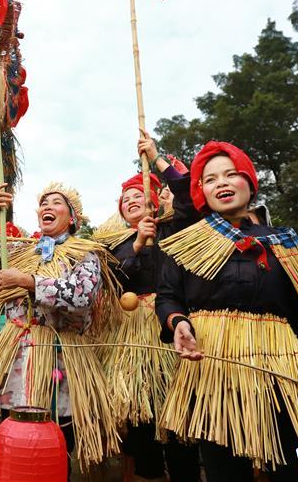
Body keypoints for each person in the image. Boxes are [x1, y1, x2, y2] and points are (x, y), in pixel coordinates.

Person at [156, 141, 298, 482]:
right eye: (210, 179)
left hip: (282, 370)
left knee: (295, 469)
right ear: (200, 191)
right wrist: (178, 322)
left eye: (231, 174)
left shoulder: (284, 242)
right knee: (225, 471)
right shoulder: (186, 240)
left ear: (250, 184)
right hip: (214, 372)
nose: (222, 183)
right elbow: (168, 297)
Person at [0, 182, 121, 480]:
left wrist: (29, 282)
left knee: (55, 438)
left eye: (56, 202)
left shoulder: (85, 253)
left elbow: (82, 296)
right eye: (43, 203)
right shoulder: (20, 250)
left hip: (60, 357)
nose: (47, 207)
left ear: (72, 218)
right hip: (16, 354)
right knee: (16, 433)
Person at [97, 135, 201, 482]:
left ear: (153, 199)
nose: (131, 201)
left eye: (137, 196)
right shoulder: (113, 244)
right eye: (125, 200)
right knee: (140, 419)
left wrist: (157, 159)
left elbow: (189, 197)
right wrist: (138, 244)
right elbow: (110, 283)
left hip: (172, 326)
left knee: (179, 418)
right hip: (130, 337)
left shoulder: (173, 227)